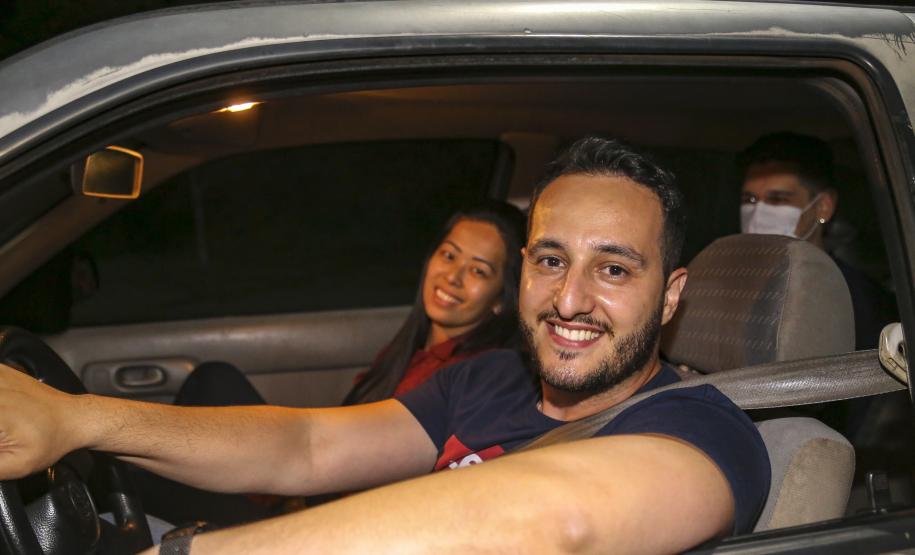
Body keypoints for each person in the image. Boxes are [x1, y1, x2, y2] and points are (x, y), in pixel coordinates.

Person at [0, 137, 770, 555]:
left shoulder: (705, 432)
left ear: (669, 296)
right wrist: (82, 419)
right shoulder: (493, 376)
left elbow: (550, 520)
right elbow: (303, 446)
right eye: (548, 259)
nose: (569, 300)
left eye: (612, 268)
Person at [176, 200, 527, 409]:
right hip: (313, 487)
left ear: (500, 299)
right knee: (214, 380)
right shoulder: (411, 349)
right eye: (449, 255)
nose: (452, 276)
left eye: (478, 270)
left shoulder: (471, 374)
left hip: (333, 512)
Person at [738, 132, 896, 350]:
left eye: (778, 199)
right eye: (750, 200)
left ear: (823, 206)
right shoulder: (731, 284)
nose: (757, 213)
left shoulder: (856, 299)